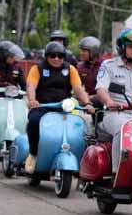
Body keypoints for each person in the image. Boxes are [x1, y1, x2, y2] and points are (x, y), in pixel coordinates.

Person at [24, 41, 94, 173]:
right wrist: (32, 100)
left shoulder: (70, 69)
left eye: (60, 56)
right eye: (53, 56)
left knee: (79, 127)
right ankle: (33, 154)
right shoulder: (37, 68)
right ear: (47, 56)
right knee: (33, 121)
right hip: (42, 106)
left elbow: (78, 88)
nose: (56, 59)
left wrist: (87, 103)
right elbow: (31, 86)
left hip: (64, 108)